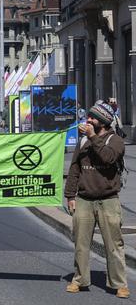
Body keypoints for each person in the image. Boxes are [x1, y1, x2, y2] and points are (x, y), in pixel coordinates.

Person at [64, 101, 129, 299]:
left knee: (113, 244)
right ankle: (80, 279)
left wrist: (93, 137)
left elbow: (108, 158)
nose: (88, 120)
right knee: (80, 243)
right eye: (89, 117)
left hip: (108, 199)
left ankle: (119, 284)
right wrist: (70, 195)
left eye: (92, 118)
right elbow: (75, 168)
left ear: (103, 121)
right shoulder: (83, 141)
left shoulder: (115, 140)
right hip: (84, 199)